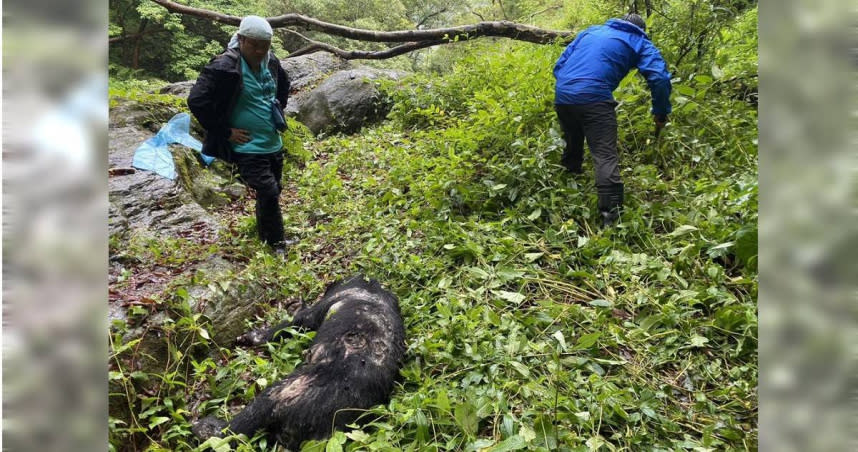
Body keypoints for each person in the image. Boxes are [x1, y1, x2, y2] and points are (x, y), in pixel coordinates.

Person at [188, 15, 297, 255]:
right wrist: (225, 131)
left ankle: (266, 235)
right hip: (247, 146)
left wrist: (276, 109)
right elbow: (197, 100)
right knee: (268, 190)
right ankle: (277, 243)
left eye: (264, 45)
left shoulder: (271, 62)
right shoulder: (224, 66)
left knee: (272, 189)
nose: (259, 50)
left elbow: (283, 85)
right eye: (254, 45)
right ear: (241, 39)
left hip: (272, 141)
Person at [553, 13, 672, 227]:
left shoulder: (590, 31)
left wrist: (571, 88)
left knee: (573, 138)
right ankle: (612, 217)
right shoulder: (639, 41)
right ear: (641, 30)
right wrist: (661, 111)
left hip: (563, 94)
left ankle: (567, 183)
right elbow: (660, 78)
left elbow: (559, 65)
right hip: (594, 97)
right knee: (604, 154)